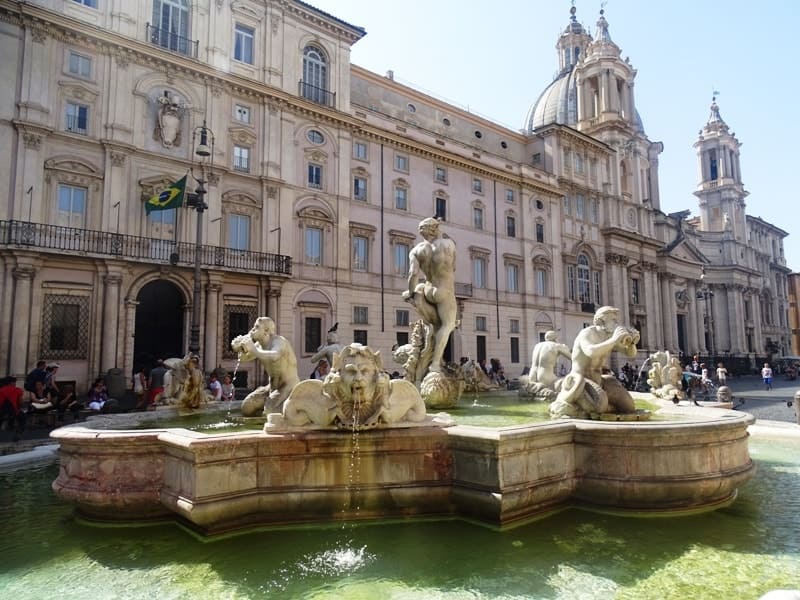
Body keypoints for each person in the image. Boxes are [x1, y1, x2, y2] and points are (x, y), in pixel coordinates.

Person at [551, 306, 639, 418]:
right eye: (613, 320)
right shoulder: (587, 333)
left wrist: (632, 343)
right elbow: (590, 351)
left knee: (629, 407)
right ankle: (595, 406)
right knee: (600, 406)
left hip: (600, 380)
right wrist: (613, 340)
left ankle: (606, 406)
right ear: (602, 321)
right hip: (581, 379)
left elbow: (630, 354)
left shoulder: (609, 336)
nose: (617, 323)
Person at [401, 217, 458, 374]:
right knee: (448, 326)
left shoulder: (417, 250)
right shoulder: (449, 245)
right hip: (444, 291)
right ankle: (435, 364)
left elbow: (413, 274)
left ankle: (428, 354)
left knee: (434, 325)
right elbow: (453, 267)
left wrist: (411, 292)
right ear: (436, 228)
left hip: (427, 289)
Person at [231, 316, 300, 416]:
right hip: (271, 387)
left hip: (288, 386)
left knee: (270, 413)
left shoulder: (279, 341)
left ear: (266, 331)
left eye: (256, 327)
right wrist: (239, 347)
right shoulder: (259, 345)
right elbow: (243, 358)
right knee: (247, 407)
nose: (252, 330)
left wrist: (253, 349)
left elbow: (274, 355)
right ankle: (260, 418)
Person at [0, 375, 26, 441]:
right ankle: (18, 433)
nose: (15, 384)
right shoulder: (17, 390)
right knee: (23, 417)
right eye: (14, 382)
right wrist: (21, 407)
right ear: (11, 383)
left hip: (1, 412)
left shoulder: (1, 390)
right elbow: (21, 402)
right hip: (14, 411)